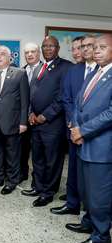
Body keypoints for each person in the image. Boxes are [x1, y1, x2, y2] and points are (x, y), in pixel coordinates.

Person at [66, 34, 112, 243]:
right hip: (82, 141)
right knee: (86, 189)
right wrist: (76, 127)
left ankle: (101, 235)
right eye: (96, 47)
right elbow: (78, 103)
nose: (97, 51)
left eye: (103, 47)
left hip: (102, 146)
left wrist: (83, 130)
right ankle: (88, 222)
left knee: (99, 194)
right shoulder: (94, 71)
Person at [51, 35, 98, 215]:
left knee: (91, 174)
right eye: (81, 47)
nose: (84, 50)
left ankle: (91, 210)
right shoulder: (74, 70)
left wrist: (84, 127)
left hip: (94, 131)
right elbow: (67, 98)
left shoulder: (102, 72)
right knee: (73, 168)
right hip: (73, 128)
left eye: (88, 46)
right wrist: (73, 123)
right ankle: (72, 204)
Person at [22, 36, 72, 206]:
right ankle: (37, 186)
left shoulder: (65, 67)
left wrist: (46, 115)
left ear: (57, 48)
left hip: (53, 124)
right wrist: (30, 113)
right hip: (35, 122)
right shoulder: (41, 66)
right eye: (45, 46)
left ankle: (48, 192)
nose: (48, 49)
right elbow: (32, 93)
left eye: (51, 46)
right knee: (37, 158)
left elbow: (63, 96)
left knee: (52, 160)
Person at [0, 46, 29, 195]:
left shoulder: (20, 74)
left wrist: (23, 122)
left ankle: (11, 181)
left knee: (12, 155)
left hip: (13, 122)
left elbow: (25, 101)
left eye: (2, 54)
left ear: (10, 58)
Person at [20, 43, 43, 185]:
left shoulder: (45, 70)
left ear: (38, 53)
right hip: (23, 118)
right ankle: (22, 174)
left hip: (40, 118)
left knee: (39, 153)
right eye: (27, 52)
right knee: (22, 149)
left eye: (33, 51)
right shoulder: (21, 71)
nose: (29, 55)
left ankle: (38, 180)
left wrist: (35, 114)